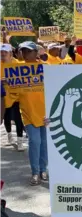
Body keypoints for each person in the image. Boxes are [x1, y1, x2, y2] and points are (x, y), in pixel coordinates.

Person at [15, 42, 48, 185]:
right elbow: (13, 93)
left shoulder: (46, 68)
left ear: (36, 52)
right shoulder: (17, 69)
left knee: (44, 143)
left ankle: (43, 170)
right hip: (28, 112)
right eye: (24, 51)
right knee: (35, 142)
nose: (26, 54)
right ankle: (35, 172)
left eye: (29, 51)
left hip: (46, 112)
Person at [0, 43, 24, 151]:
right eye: (1, 52)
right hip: (4, 96)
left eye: (5, 52)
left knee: (18, 119)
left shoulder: (18, 64)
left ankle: (20, 141)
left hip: (17, 96)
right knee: (7, 117)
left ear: (10, 54)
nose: (2, 54)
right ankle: (9, 135)